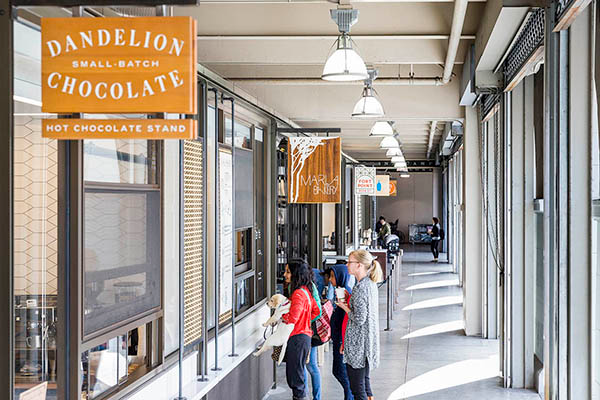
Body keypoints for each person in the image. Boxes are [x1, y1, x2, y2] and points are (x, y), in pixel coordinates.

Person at [336, 250, 382, 400]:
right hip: (367, 343)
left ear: (359, 265)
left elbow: (360, 318)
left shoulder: (361, 287)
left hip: (359, 345)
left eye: (350, 262)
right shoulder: (370, 284)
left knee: (357, 389)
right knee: (365, 385)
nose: (347, 265)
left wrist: (344, 307)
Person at [282, 260, 321, 400]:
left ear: (295, 274)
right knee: (297, 374)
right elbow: (316, 311)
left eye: (288, 271)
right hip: (304, 336)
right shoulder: (306, 290)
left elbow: (292, 318)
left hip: (297, 337)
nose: (285, 275)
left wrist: (281, 315)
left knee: (296, 378)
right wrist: (305, 321)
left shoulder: (298, 293)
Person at [329, 263, 355, 400]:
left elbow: (348, 318)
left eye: (333, 276)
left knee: (340, 372)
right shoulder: (341, 292)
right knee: (339, 371)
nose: (330, 280)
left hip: (341, 339)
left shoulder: (345, 293)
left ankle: (350, 395)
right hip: (338, 338)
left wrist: (343, 341)